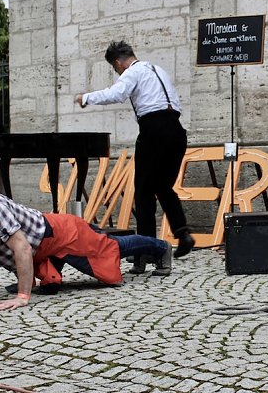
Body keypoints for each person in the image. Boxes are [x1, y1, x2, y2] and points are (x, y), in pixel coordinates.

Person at [0, 183, 172, 311]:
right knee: (51, 282)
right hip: (39, 249)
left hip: (59, 234)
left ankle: (160, 247)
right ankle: (47, 275)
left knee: (110, 249)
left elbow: (22, 248)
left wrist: (23, 296)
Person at [74, 40, 195, 275]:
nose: (118, 72)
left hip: (154, 131)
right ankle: (182, 233)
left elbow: (117, 94)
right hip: (177, 132)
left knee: (142, 192)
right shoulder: (157, 70)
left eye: (115, 68)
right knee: (163, 186)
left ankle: (145, 251)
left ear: (118, 62)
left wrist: (86, 98)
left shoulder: (133, 71)